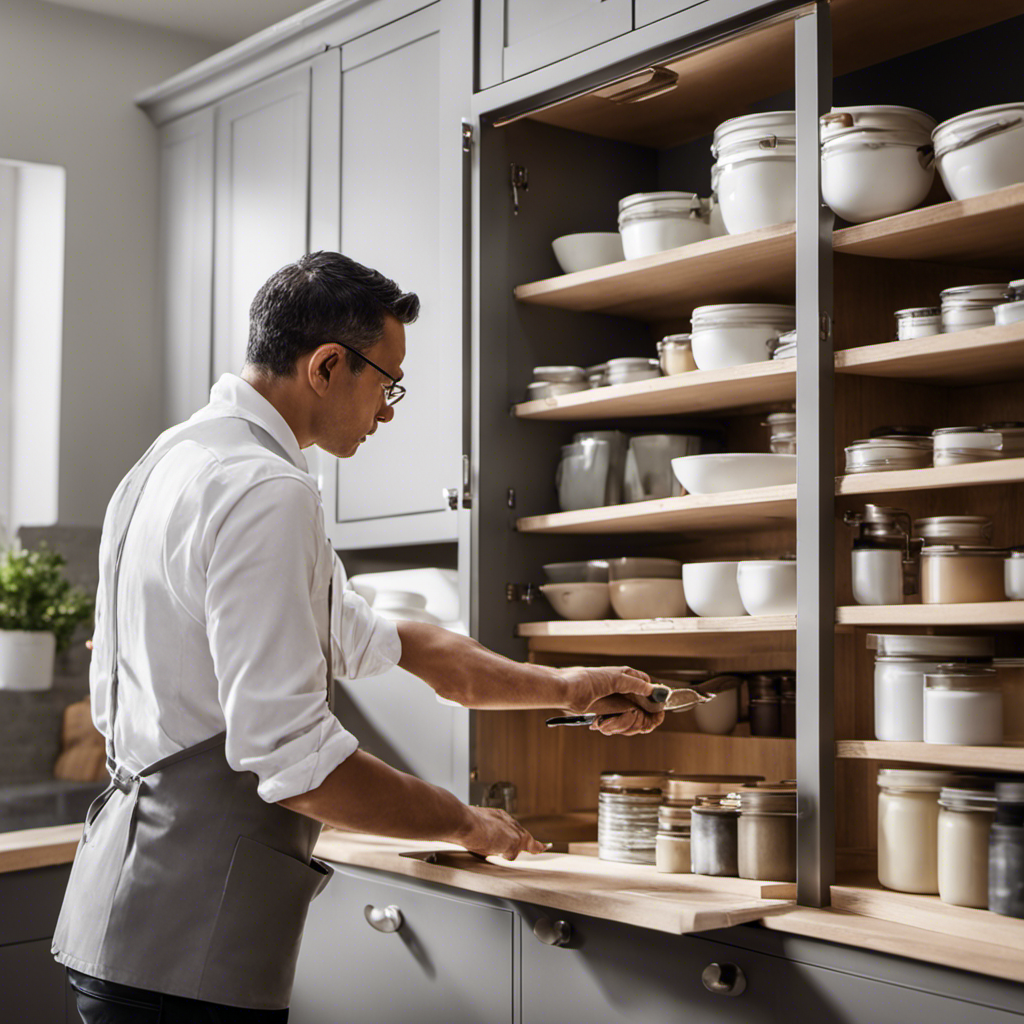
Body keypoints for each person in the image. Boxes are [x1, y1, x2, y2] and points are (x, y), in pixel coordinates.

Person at [53, 251, 664, 1022]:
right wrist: (465, 821)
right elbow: (298, 762)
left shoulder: (168, 463)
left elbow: (387, 641)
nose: (389, 408)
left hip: (126, 921)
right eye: (387, 381)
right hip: (188, 952)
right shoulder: (264, 492)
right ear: (328, 366)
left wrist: (567, 686)